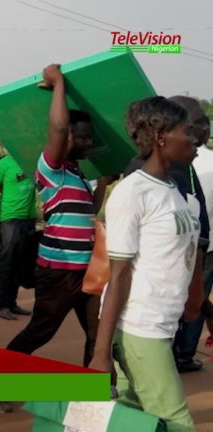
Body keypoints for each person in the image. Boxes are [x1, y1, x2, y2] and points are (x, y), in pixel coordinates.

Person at [89, 96, 201, 432]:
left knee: (133, 417)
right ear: (161, 136)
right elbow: (118, 275)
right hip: (140, 326)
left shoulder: (172, 189)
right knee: (177, 422)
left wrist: (200, 305)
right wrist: (100, 353)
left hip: (162, 323)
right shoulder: (133, 193)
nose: (194, 140)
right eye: (187, 132)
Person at [5, 64, 111, 367]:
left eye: (89, 138)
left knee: (98, 334)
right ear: (64, 140)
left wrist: (102, 182)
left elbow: (89, 211)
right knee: (40, 332)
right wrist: (58, 83)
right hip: (59, 271)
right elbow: (59, 128)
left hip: (88, 271)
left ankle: (95, 395)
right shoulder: (51, 169)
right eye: (82, 137)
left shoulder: (76, 174)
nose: (88, 143)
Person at [172, 95, 212, 373]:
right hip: (197, 250)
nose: (204, 128)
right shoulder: (147, 179)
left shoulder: (181, 164)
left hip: (195, 249)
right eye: (198, 123)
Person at [0, 154, 36, 320]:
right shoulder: (2, 165)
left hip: (29, 220)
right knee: (7, 261)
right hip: (10, 220)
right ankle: (2, 305)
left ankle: (12, 303)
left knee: (21, 263)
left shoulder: (33, 161)